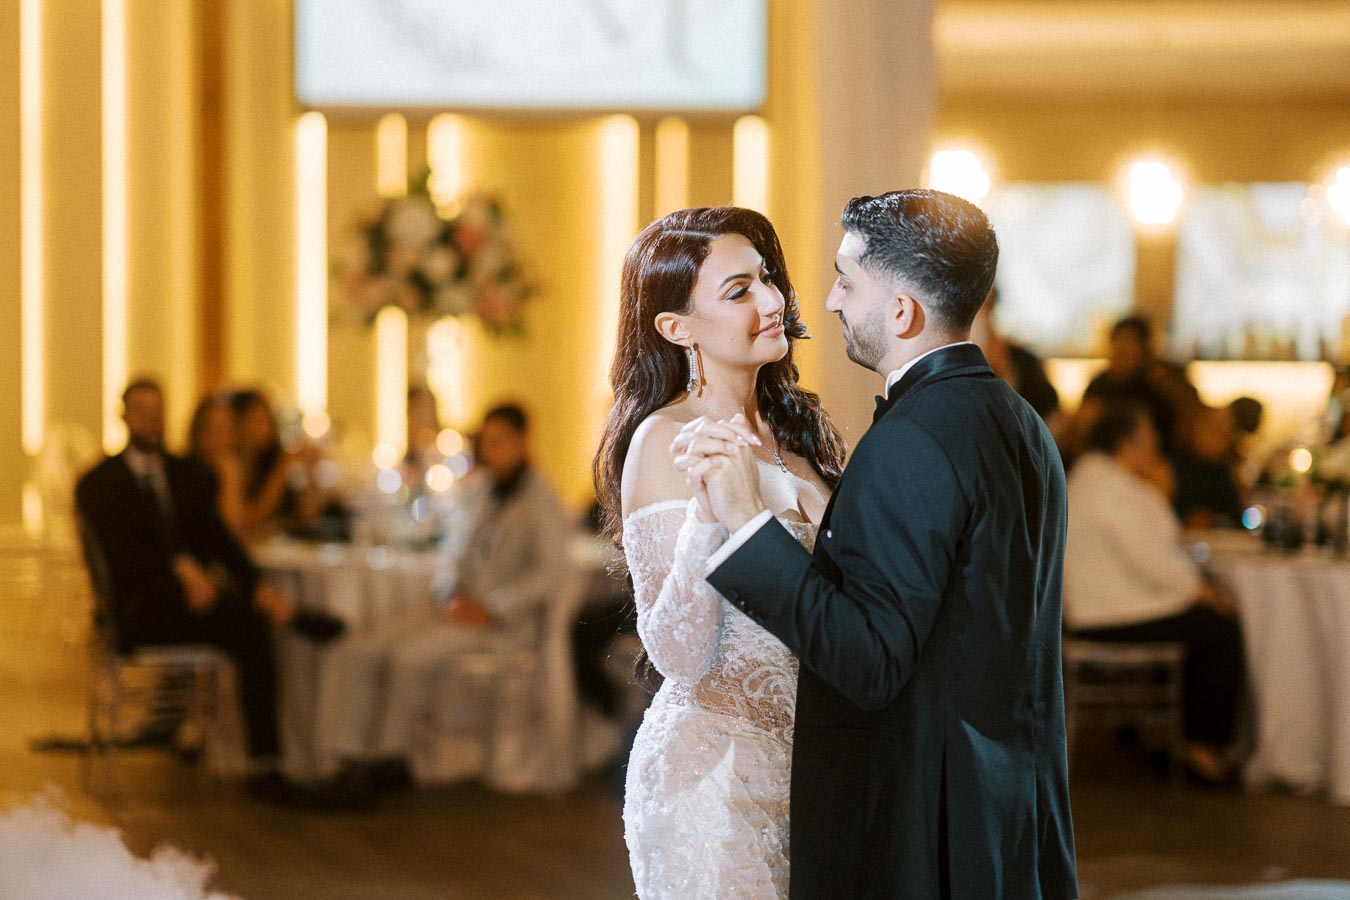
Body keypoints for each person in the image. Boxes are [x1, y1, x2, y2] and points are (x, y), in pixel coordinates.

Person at [679, 191, 1078, 898]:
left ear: (902, 312)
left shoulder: (915, 437)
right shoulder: (1021, 422)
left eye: (846, 280)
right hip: (1011, 814)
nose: (828, 302)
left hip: (924, 830)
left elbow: (869, 660)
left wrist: (745, 525)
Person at [592, 207, 844, 897]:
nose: (770, 301)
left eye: (766, 280)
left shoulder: (801, 441)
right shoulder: (668, 440)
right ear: (677, 329)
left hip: (814, 778)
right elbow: (676, 651)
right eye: (738, 291)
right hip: (712, 782)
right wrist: (709, 514)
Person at [75, 378, 345, 801]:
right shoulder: (99, 483)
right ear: (124, 415)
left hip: (189, 603)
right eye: (142, 409)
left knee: (250, 623)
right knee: (243, 620)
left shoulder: (183, 476)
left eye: (158, 409)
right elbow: (119, 560)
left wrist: (256, 584)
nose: (152, 419)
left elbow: (218, 539)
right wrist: (178, 572)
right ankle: (291, 625)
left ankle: (266, 763)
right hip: (138, 609)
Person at [318, 403, 575, 792]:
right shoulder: (481, 491)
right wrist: (449, 590)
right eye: (487, 442)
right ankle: (348, 755)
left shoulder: (542, 500)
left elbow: (549, 573)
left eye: (501, 442)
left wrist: (490, 608)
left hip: (500, 624)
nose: (493, 451)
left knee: (408, 658)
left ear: (522, 443)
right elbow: (452, 550)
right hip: (458, 608)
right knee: (363, 647)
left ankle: (389, 760)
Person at [1063, 401, 1246, 784]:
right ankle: (1200, 747)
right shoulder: (1113, 489)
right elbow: (1154, 559)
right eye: (1148, 440)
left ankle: (1175, 736)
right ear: (1124, 445)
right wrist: (1198, 589)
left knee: (1207, 625)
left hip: (1098, 609)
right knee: (1218, 631)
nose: (1156, 448)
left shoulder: (1095, 478)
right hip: (1108, 615)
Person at [229, 389, 324, 541]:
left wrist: (311, 472)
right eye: (256, 420)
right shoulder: (230, 467)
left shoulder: (269, 461)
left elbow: (307, 514)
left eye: (267, 420)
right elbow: (248, 521)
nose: (264, 427)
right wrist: (282, 468)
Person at [1082, 315, 1179, 452]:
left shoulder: (1155, 389)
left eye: (1129, 342)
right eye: (1117, 340)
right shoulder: (1098, 384)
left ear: (1144, 349)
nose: (1122, 349)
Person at [970, 286, 1062, 426]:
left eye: (985, 306)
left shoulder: (1023, 361)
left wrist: (1005, 371)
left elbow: (1052, 414)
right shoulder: (943, 361)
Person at [1170, 405, 1246, 530]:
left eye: (1227, 430)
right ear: (1195, 427)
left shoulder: (1228, 468)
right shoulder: (1170, 470)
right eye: (1215, 430)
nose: (1224, 437)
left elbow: (1239, 515)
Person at [186, 392, 249, 541]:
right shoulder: (184, 477)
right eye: (211, 429)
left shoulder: (241, 466)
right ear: (197, 432)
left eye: (226, 429)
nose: (218, 438)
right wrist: (230, 477)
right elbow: (232, 532)